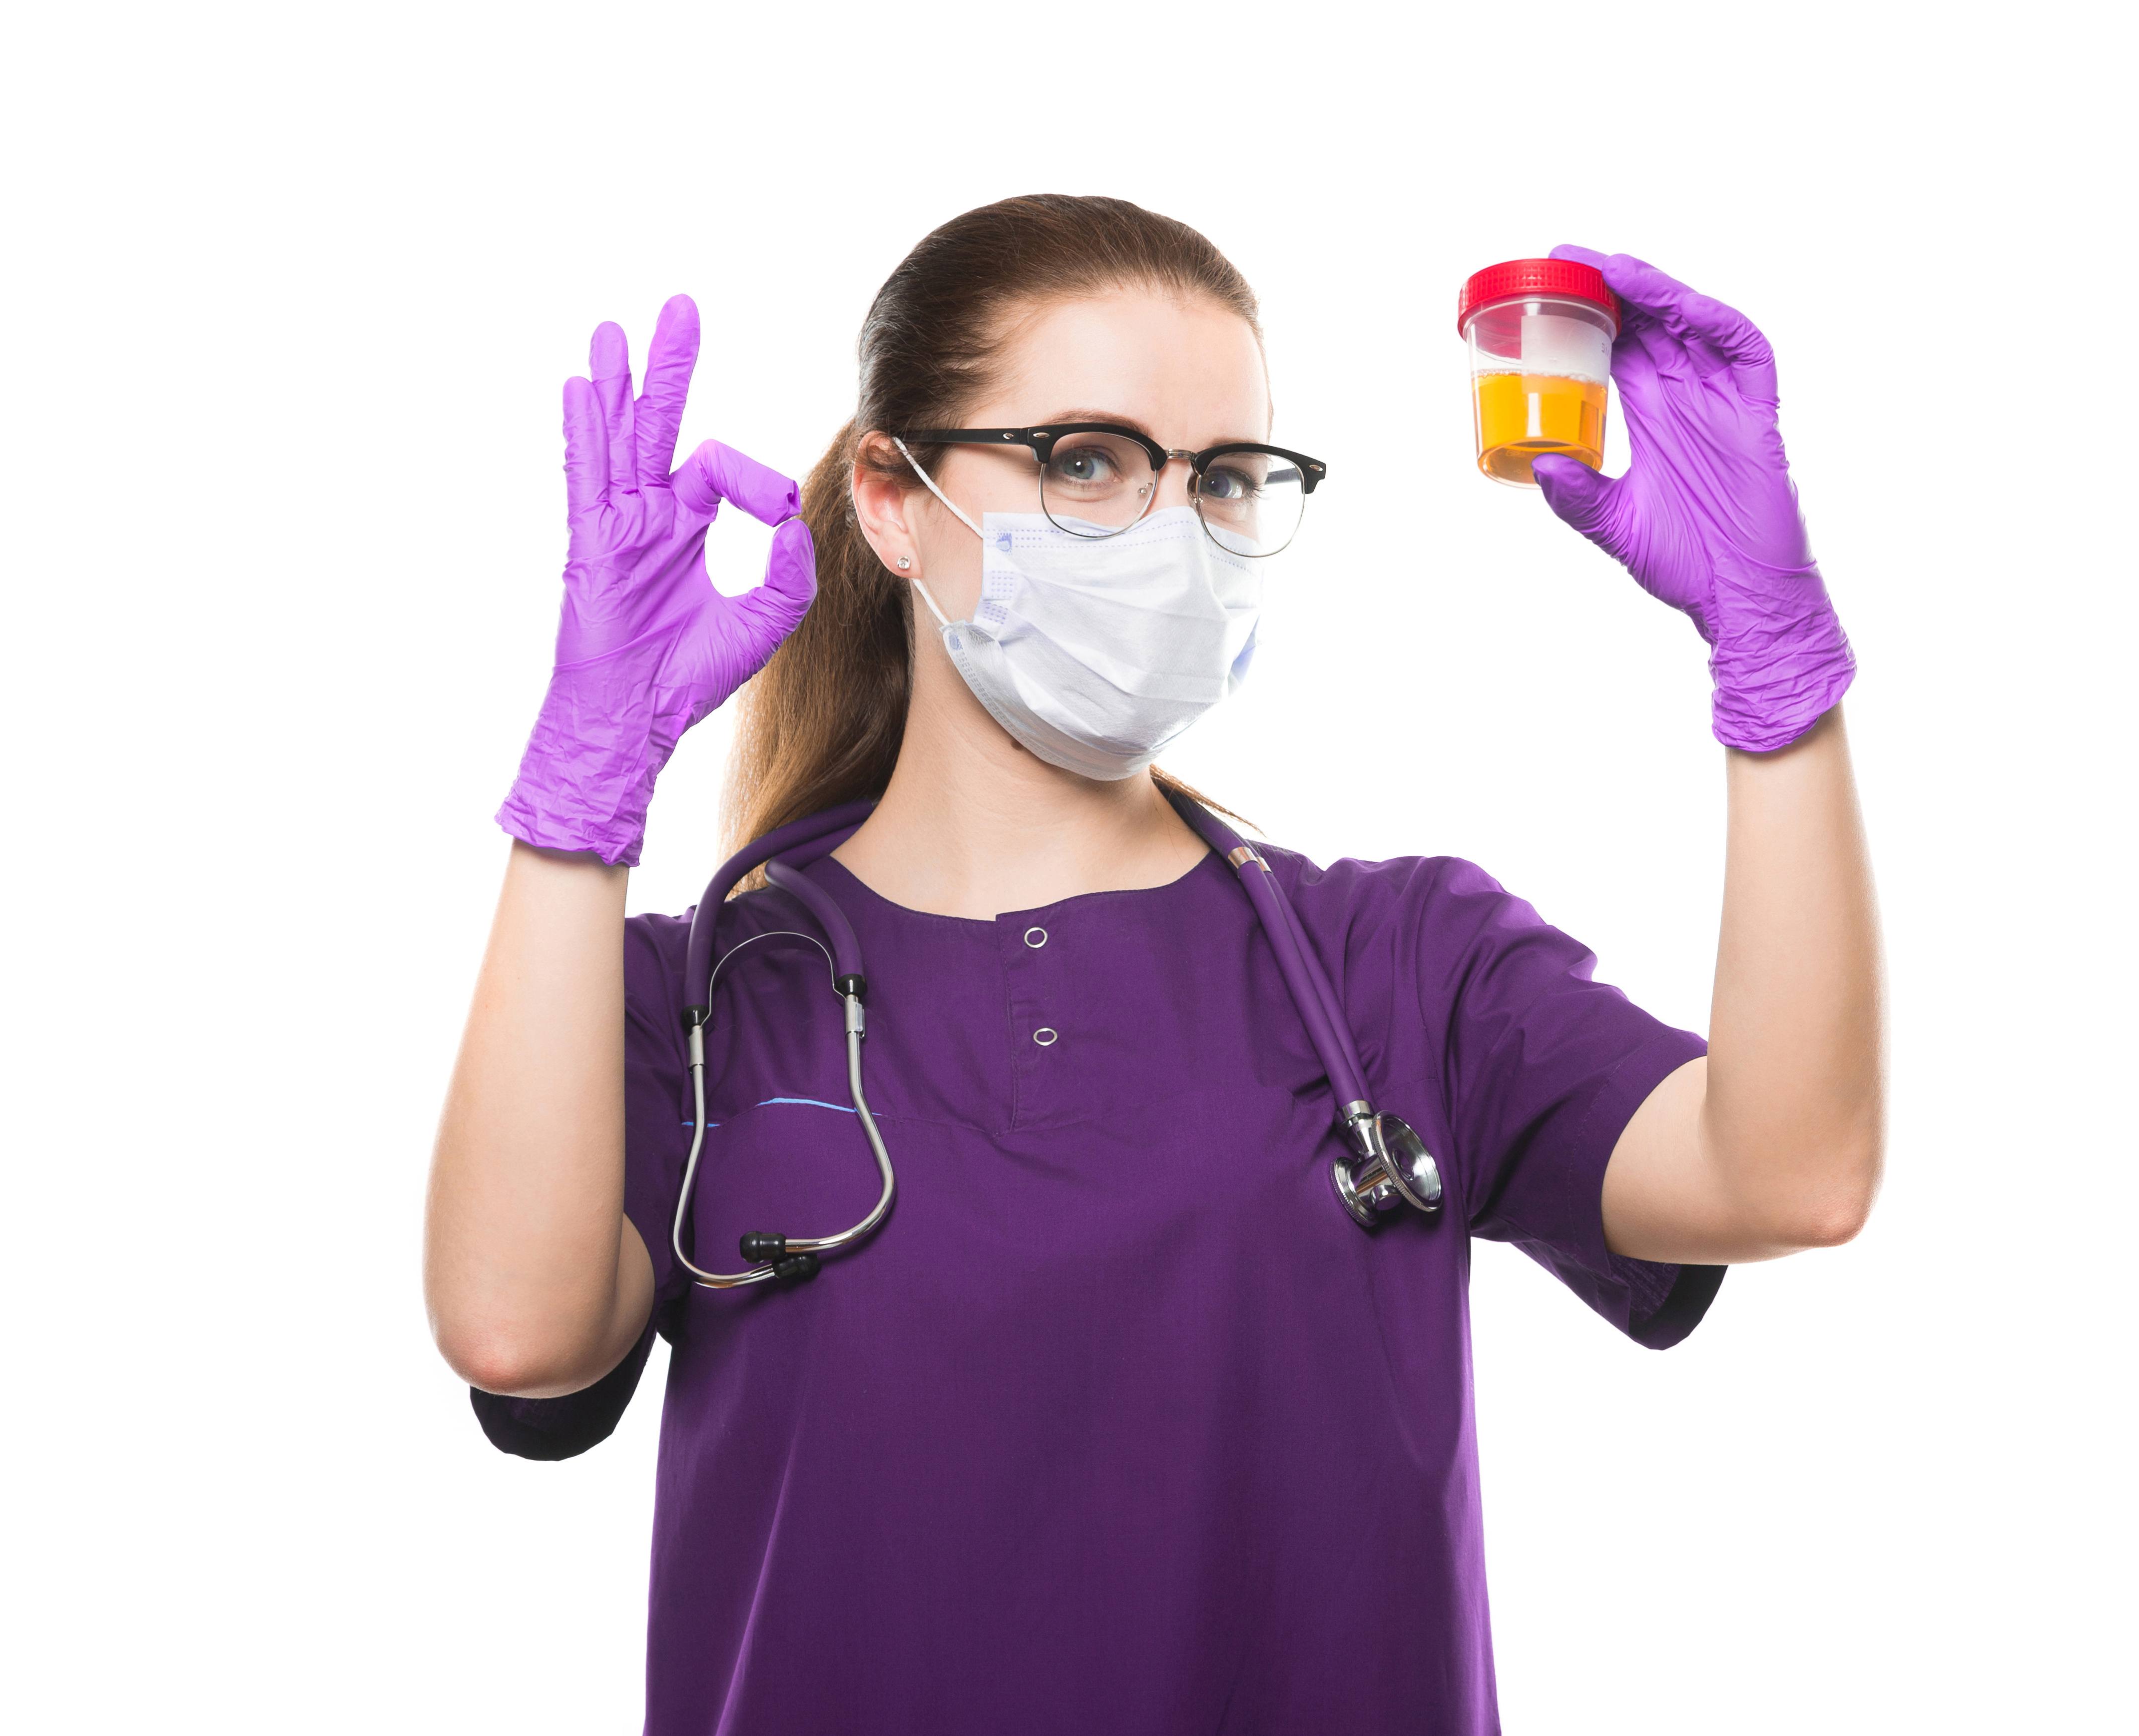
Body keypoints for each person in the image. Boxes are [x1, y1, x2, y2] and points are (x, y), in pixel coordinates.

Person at [425, 194, 1881, 1734]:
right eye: (1090, 461)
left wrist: (1771, 661)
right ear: (890, 499)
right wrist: (582, 798)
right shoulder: (702, 1004)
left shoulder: (1398, 966)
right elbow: (514, 1327)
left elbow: (1787, 1169)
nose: (1176, 532)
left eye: (1227, 477)